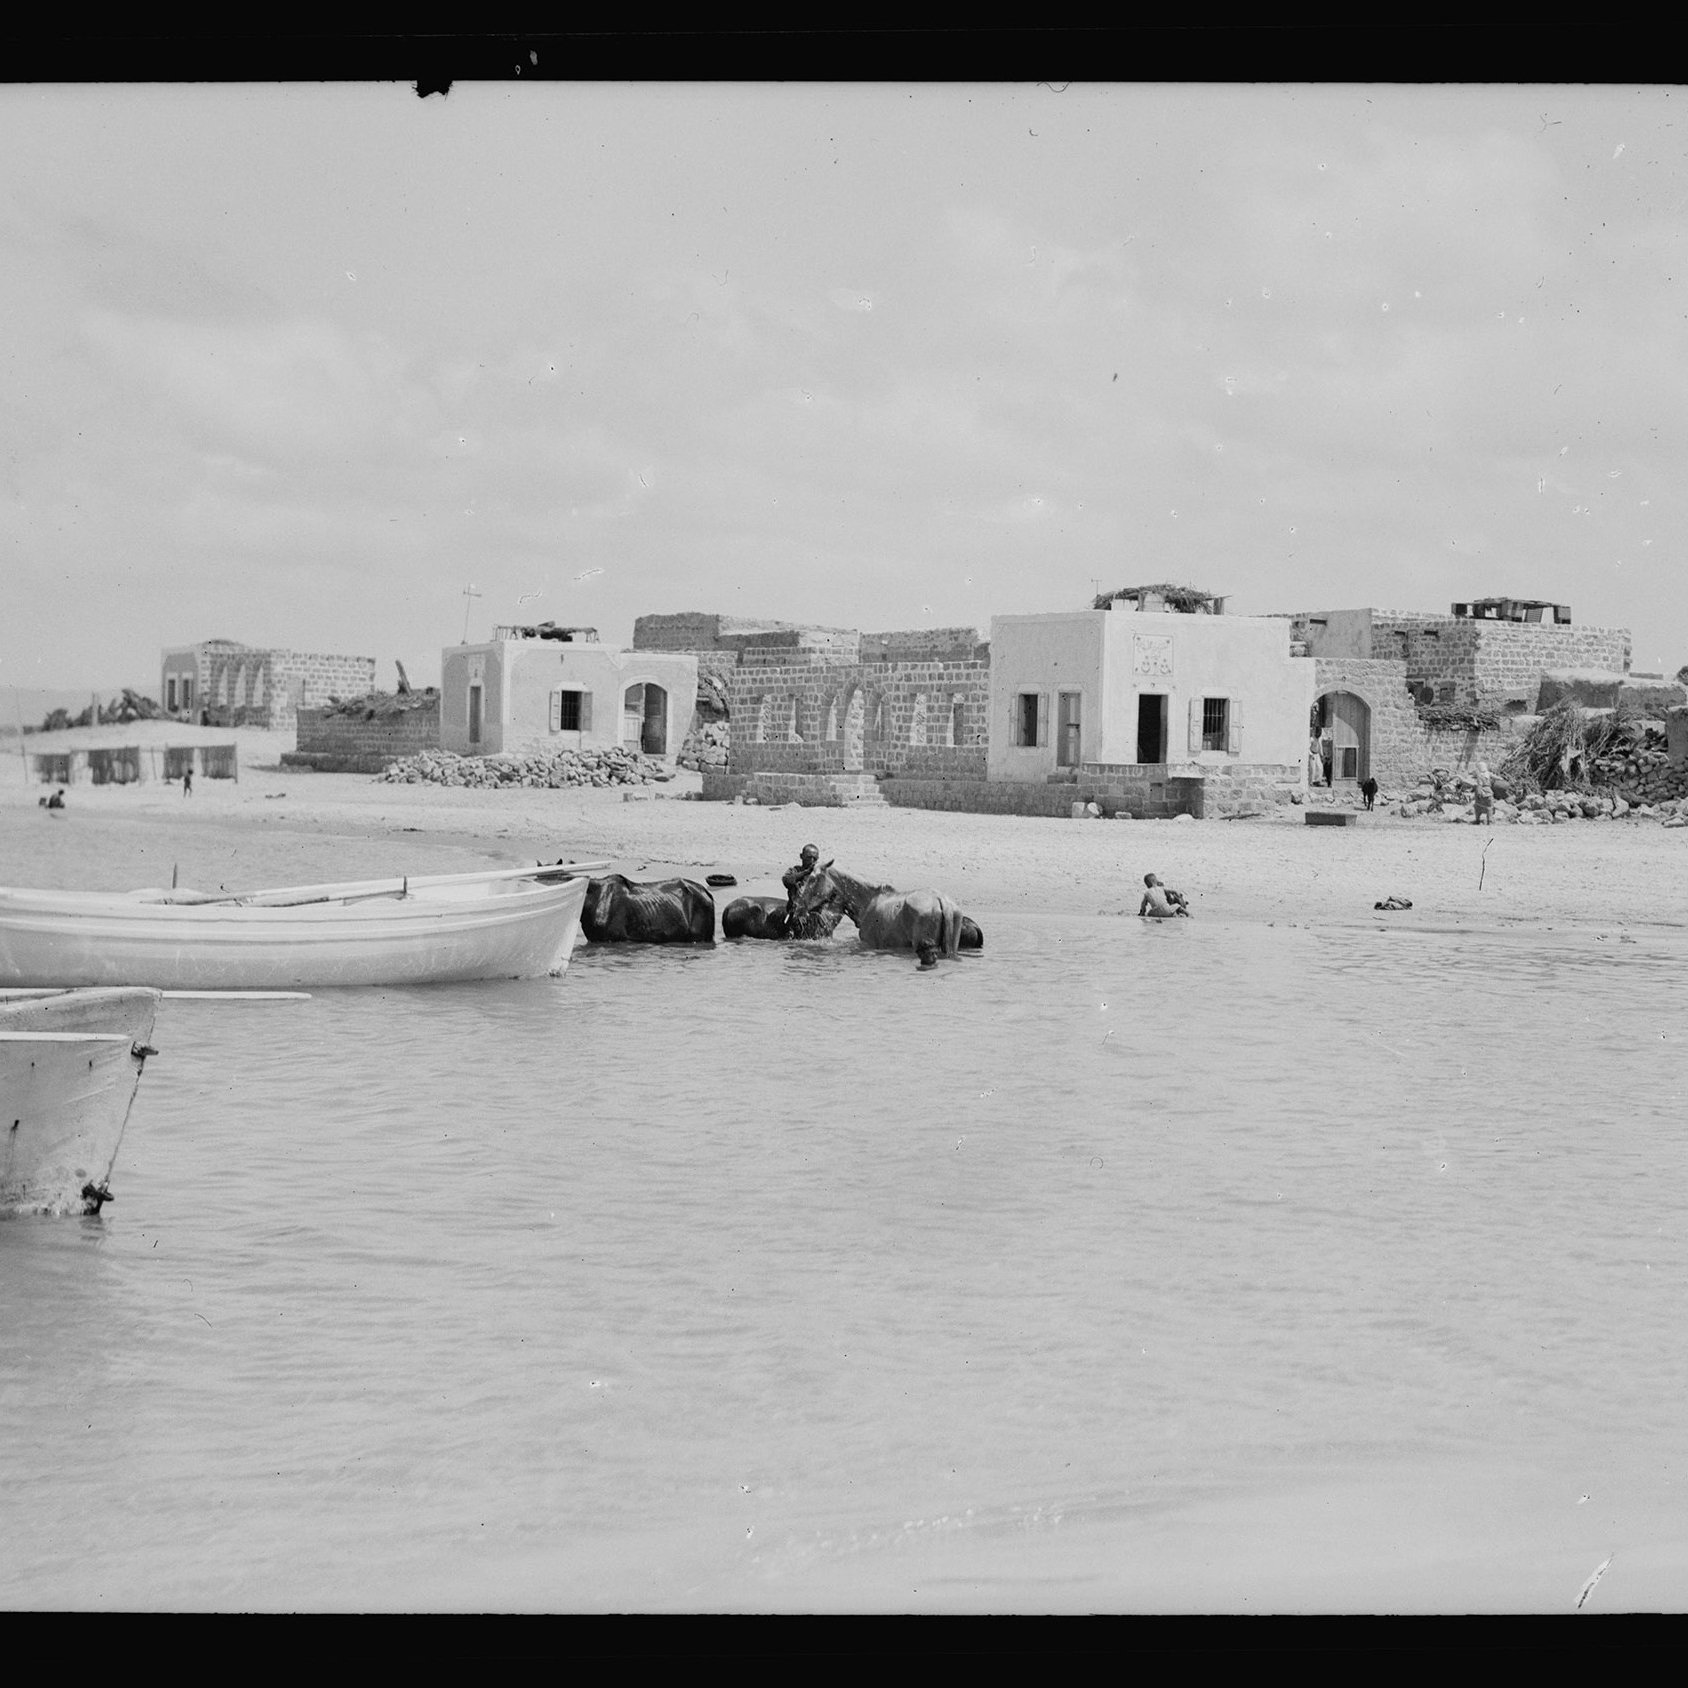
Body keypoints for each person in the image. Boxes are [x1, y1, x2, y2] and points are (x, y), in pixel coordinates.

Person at [1472, 760, 1494, 825]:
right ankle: (1490, 820)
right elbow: (1496, 777)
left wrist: (1478, 793)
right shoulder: (1488, 774)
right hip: (1489, 791)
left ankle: (1477, 820)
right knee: (1489, 807)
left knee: (1478, 806)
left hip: (1482, 791)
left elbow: (1479, 785)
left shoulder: (1480, 776)